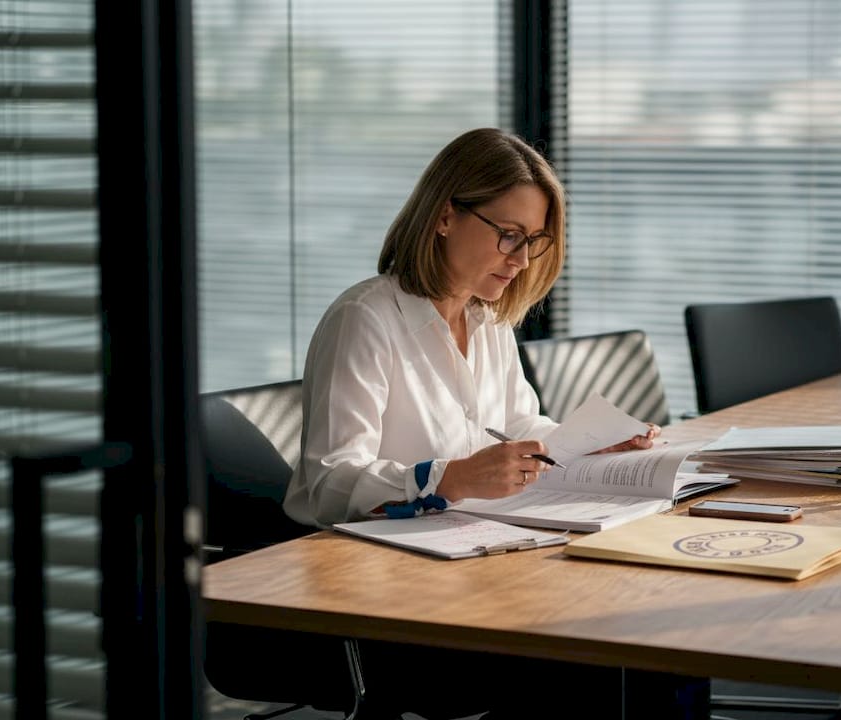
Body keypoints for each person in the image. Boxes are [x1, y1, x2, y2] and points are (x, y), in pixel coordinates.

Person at [283, 127, 666, 719]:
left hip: (480, 564)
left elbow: (518, 424)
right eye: (508, 234)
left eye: (533, 241)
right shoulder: (365, 319)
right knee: (586, 651)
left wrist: (589, 442)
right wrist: (449, 477)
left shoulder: (488, 322)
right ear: (444, 216)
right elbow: (329, 484)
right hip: (392, 593)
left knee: (622, 624)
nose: (520, 259)